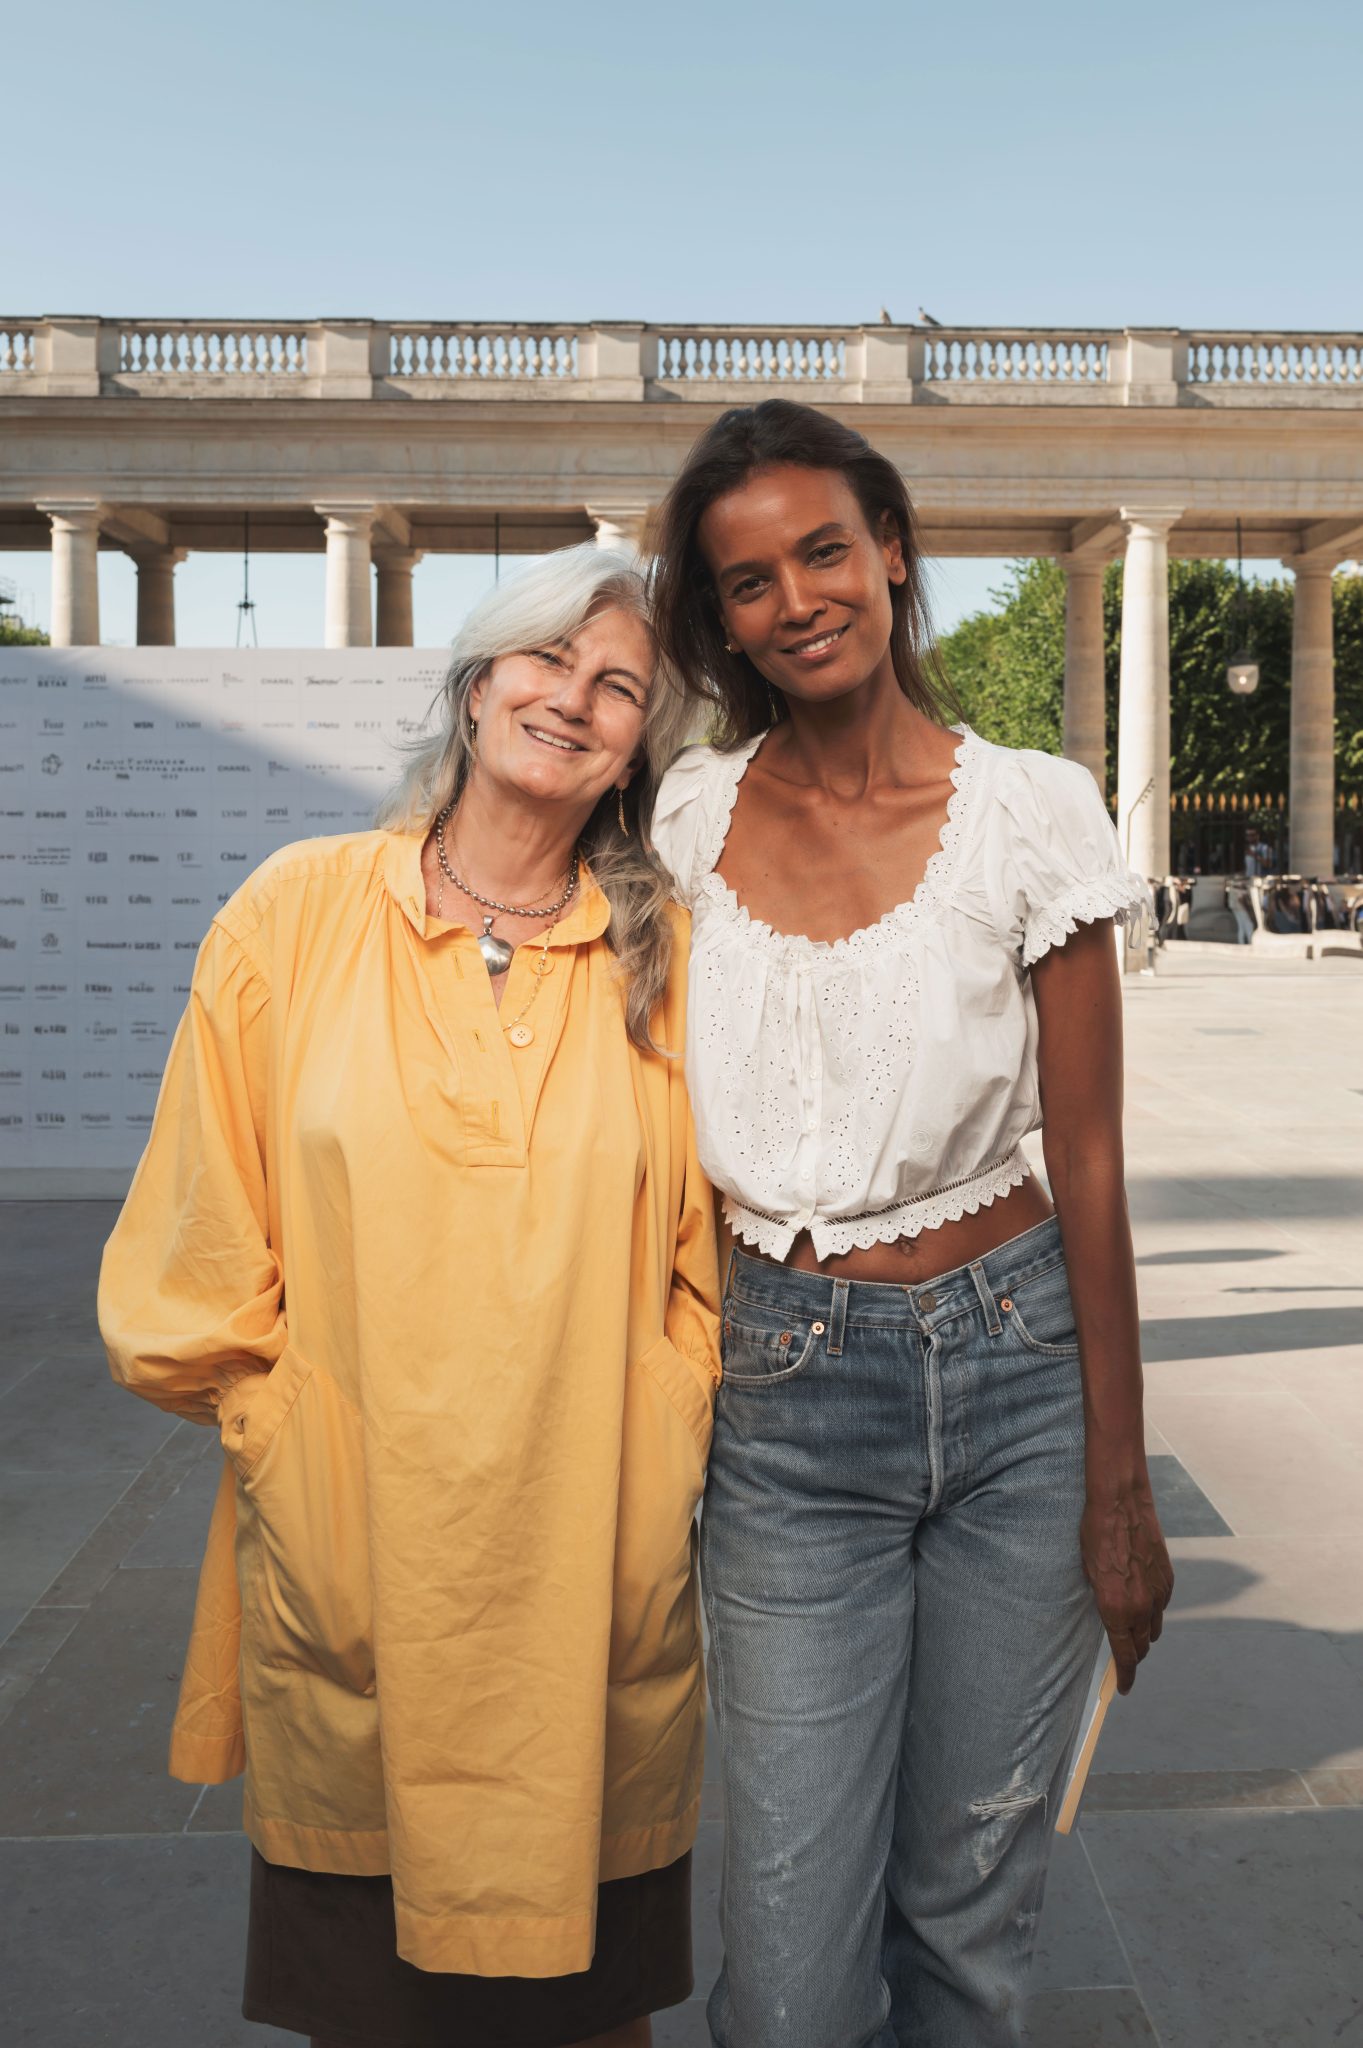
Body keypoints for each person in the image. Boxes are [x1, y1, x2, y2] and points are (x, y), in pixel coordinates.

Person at [98, 546, 721, 2048]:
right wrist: (284, 1443)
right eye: (546, 661)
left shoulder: (671, 958)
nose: (573, 701)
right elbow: (192, 1255)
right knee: (369, 2014)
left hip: (589, 1567)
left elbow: (713, 1265)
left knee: (595, 2015)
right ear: (474, 680)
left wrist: (663, 1433)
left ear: (644, 745)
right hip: (360, 1554)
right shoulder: (294, 913)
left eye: (618, 686)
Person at [647, 399, 1173, 2048]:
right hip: (787, 1398)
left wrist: (1119, 1484)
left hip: (1018, 1372)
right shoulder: (686, 820)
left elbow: (1086, 1157)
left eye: (823, 550)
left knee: (966, 1924)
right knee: (793, 1975)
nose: (797, 597)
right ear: (718, 617)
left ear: (890, 553)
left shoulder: (1032, 809)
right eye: (747, 580)